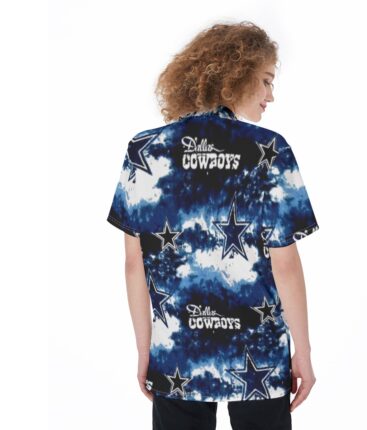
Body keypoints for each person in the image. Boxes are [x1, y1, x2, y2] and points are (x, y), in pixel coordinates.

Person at [106, 21, 319, 430]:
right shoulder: (270, 150)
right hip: (259, 358)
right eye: (266, 81)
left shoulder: (144, 150)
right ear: (236, 75)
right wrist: (304, 352)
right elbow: (286, 264)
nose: (271, 95)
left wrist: (145, 350)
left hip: (176, 356)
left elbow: (134, 264)